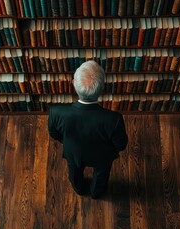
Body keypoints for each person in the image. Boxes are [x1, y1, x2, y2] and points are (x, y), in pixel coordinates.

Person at [48, 60, 128, 199]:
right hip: (102, 156)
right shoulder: (114, 119)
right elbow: (121, 145)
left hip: (74, 152)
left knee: (74, 172)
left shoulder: (56, 112)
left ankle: (79, 189)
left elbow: (54, 133)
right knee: (101, 175)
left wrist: (67, 141)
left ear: (73, 83)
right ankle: (96, 193)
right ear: (102, 87)